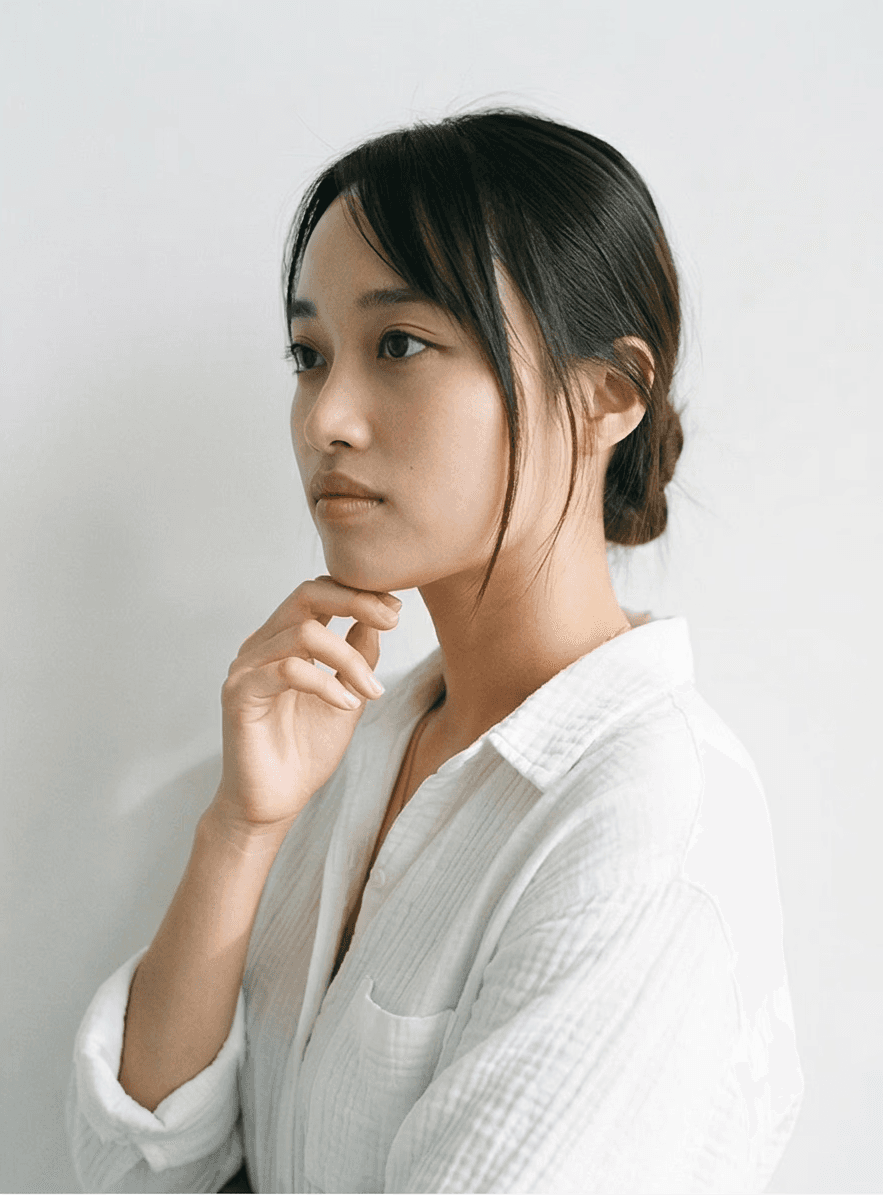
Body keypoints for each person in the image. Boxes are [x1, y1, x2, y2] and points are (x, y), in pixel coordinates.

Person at [66, 108, 804, 1193]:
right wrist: (241, 828)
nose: (327, 417)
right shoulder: (348, 753)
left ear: (606, 394)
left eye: (400, 344)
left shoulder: (649, 820)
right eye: (308, 355)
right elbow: (132, 1168)